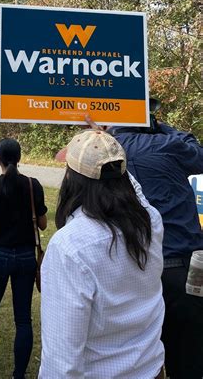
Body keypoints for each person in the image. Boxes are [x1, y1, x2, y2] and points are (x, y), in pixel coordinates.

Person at [39, 129, 165, 379]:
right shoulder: (150, 221)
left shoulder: (70, 246)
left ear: (71, 179)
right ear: (122, 176)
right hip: (151, 370)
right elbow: (135, 192)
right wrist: (107, 150)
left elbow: (61, 363)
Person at [109, 104, 203, 379]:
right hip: (185, 269)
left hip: (135, 270)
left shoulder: (110, 149)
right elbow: (198, 155)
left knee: (138, 361)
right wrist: (160, 126)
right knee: (190, 358)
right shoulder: (169, 144)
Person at [0, 138, 47, 379]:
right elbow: (43, 223)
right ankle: (19, 374)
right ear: (19, 157)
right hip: (26, 256)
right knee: (23, 318)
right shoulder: (32, 185)